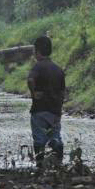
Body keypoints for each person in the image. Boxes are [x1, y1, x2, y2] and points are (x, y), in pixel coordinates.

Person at [26, 35, 65, 165]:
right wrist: (59, 111)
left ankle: (40, 164)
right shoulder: (58, 69)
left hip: (39, 110)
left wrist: (33, 93)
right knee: (55, 136)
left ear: (37, 52)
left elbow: (31, 79)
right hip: (54, 111)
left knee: (39, 139)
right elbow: (62, 92)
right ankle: (58, 161)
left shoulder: (38, 66)